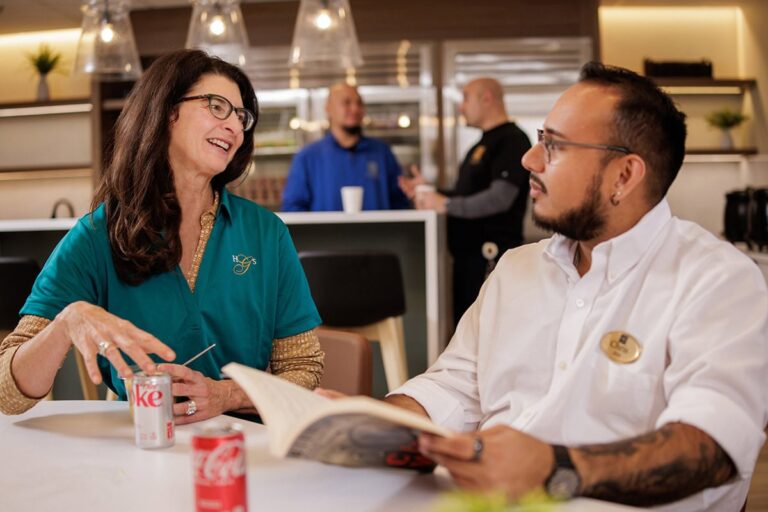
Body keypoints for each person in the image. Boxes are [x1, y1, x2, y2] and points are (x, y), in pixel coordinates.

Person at [385, 63, 768, 509]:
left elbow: (712, 446)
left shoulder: (717, 279)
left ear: (624, 176)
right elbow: (453, 387)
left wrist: (554, 471)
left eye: (554, 145)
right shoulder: (515, 270)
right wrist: (367, 424)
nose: (529, 159)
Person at [0, 49, 323, 424]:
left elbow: (304, 367)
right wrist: (66, 322)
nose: (235, 126)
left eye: (241, 116)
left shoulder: (266, 233)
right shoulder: (96, 235)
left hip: (244, 441)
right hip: (138, 443)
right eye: (217, 106)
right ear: (166, 111)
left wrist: (225, 395)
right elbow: (7, 392)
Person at [399, 78, 531, 327]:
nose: (461, 107)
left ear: (487, 98)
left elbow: (500, 198)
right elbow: (467, 194)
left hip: (490, 257)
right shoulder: (480, 144)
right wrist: (430, 191)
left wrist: (445, 205)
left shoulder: (512, 140)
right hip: (468, 259)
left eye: (466, 98)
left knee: (490, 330)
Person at [281, 83, 410, 211]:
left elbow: (400, 203)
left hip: (378, 232)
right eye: (346, 103)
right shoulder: (307, 158)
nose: (355, 109)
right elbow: (293, 207)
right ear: (328, 108)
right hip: (326, 232)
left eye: (359, 103)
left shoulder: (382, 153)